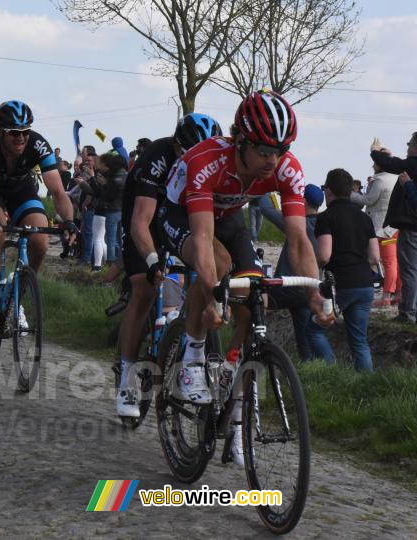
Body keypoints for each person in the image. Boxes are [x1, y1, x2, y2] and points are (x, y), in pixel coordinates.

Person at [158, 90, 334, 463]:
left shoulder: (286, 169)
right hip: (181, 216)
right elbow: (203, 239)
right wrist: (213, 291)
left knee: (256, 302)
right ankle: (191, 356)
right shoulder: (208, 161)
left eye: (280, 151)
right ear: (239, 140)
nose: (273, 161)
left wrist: (315, 293)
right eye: (264, 152)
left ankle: (235, 414)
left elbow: (299, 238)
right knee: (217, 267)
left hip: (229, 218)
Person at [115, 112, 222, 417]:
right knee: (145, 288)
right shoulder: (157, 157)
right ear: (177, 148)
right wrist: (151, 262)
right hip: (143, 218)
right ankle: (126, 378)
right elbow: (140, 222)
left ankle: (188, 350)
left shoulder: (214, 163)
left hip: (181, 219)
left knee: (205, 275)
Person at [0, 100, 77, 334]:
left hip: (22, 190)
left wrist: (69, 221)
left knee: (40, 241)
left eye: (25, 132)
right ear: (1, 132)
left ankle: (16, 296)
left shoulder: (38, 145)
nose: (21, 138)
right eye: (14, 133)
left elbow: (59, 192)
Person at [309, 169, 379, 372]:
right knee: (359, 340)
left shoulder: (326, 218)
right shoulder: (364, 218)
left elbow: (324, 256)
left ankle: (333, 372)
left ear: (328, 191)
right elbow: (375, 257)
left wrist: (311, 268)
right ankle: (366, 384)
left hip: (339, 285)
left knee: (314, 329)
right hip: (365, 285)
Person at [264, 184, 334, 362]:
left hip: (286, 288)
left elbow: (266, 209)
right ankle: (308, 365)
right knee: (303, 334)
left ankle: (256, 348)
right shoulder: (323, 225)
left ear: (302, 201)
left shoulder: (295, 225)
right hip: (309, 288)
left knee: (254, 301)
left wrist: (265, 187)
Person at [372, 133, 417, 323]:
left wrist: (375, 152)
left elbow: (394, 165)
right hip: (405, 229)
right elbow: (399, 163)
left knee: (407, 270)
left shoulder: (412, 166)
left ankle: (407, 313)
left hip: (409, 227)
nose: (407, 146)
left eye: (409, 143)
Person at [351, 159, 398, 307]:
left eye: (375, 163)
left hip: (381, 230)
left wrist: (350, 194)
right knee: (394, 261)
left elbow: (368, 200)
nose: (372, 166)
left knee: (387, 262)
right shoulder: (394, 177)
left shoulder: (379, 180)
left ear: (380, 165)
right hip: (393, 228)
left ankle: (386, 296)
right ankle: (398, 293)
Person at [79, 151, 126, 270]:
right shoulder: (123, 175)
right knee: (112, 240)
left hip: (107, 210)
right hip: (118, 210)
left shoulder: (110, 176)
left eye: (91, 161)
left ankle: (105, 265)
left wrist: (92, 180)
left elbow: (102, 194)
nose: (89, 163)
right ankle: (110, 265)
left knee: (104, 239)